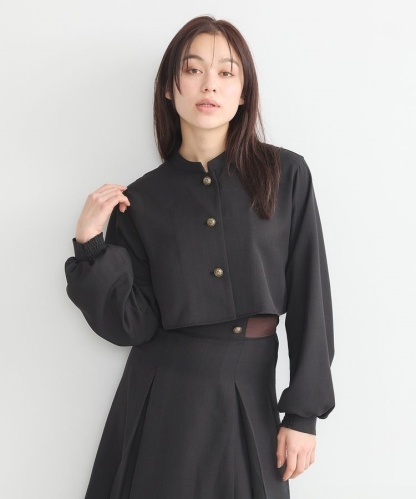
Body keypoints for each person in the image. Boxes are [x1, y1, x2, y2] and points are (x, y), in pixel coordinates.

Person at [64, 15, 335, 499]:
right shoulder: (140, 201)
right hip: (164, 399)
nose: (209, 84)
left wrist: (302, 415)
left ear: (244, 92)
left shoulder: (285, 175)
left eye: (226, 72)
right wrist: (90, 246)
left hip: (251, 392)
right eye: (193, 70)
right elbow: (132, 326)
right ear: (170, 88)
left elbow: (311, 298)